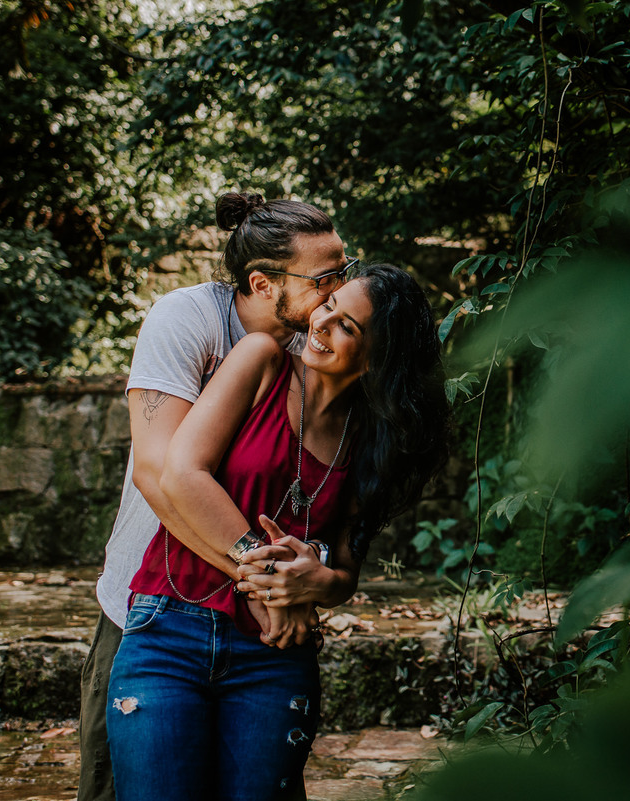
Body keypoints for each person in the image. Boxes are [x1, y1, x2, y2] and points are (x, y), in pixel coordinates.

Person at [104, 262, 450, 801]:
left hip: (273, 655)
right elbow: (181, 473)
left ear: (379, 357)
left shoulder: (372, 442)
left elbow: (344, 575)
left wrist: (315, 581)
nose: (321, 323)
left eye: (347, 326)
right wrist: (269, 583)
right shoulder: (262, 358)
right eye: (328, 307)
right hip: (170, 626)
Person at [78, 192, 355, 801]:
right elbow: (160, 474)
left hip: (257, 632)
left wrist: (305, 584)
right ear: (262, 282)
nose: (340, 289)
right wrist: (267, 586)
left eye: (346, 270)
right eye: (326, 277)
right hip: (148, 605)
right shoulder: (190, 320)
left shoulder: (315, 348)